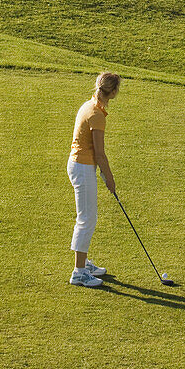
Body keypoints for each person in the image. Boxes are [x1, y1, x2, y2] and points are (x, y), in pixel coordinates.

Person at [67, 71, 121, 287]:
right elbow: (99, 153)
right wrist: (109, 178)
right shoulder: (96, 116)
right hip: (83, 167)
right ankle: (79, 272)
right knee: (86, 219)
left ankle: (84, 262)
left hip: (80, 164)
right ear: (114, 92)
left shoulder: (89, 105)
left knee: (87, 217)